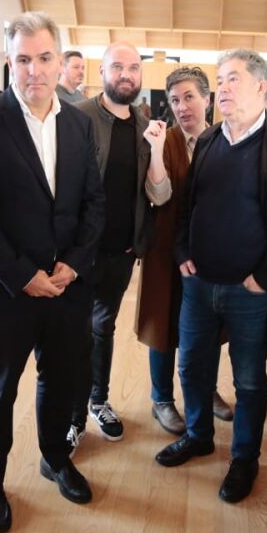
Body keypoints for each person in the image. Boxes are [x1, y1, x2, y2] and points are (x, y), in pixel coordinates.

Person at [0, 11, 104, 533]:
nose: (33, 70)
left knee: (61, 383)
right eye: (22, 59)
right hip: (5, 289)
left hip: (65, 287)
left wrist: (73, 264)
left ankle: (56, 460)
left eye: (43, 58)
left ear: (60, 62)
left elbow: (94, 203)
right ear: (8, 62)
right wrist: (22, 274)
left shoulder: (79, 124)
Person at [155, 48, 267, 504]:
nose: (223, 88)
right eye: (220, 79)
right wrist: (182, 251)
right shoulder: (210, 139)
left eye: (233, 79)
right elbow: (188, 203)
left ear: (262, 87)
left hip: (251, 291)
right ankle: (198, 436)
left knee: (248, 380)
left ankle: (245, 458)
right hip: (199, 284)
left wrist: (265, 277)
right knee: (192, 366)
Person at [69, 41, 171, 451]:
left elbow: (158, 194)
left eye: (132, 68)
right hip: (78, 253)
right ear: (102, 72)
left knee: (103, 327)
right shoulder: (76, 118)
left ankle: (98, 401)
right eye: (117, 67)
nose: (125, 75)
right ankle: (72, 417)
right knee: (75, 331)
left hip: (122, 252)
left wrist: (158, 149)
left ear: (141, 76)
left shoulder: (146, 126)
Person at [136, 66, 234, 438]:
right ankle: (162, 398)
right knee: (163, 323)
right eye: (175, 100)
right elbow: (159, 196)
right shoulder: (165, 140)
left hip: (211, 252)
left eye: (189, 97)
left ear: (207, 99)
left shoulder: (225, 139)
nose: (181, 107)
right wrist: (156, 150)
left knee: (209, 327)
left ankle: (206, 390)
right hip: (165, 248)